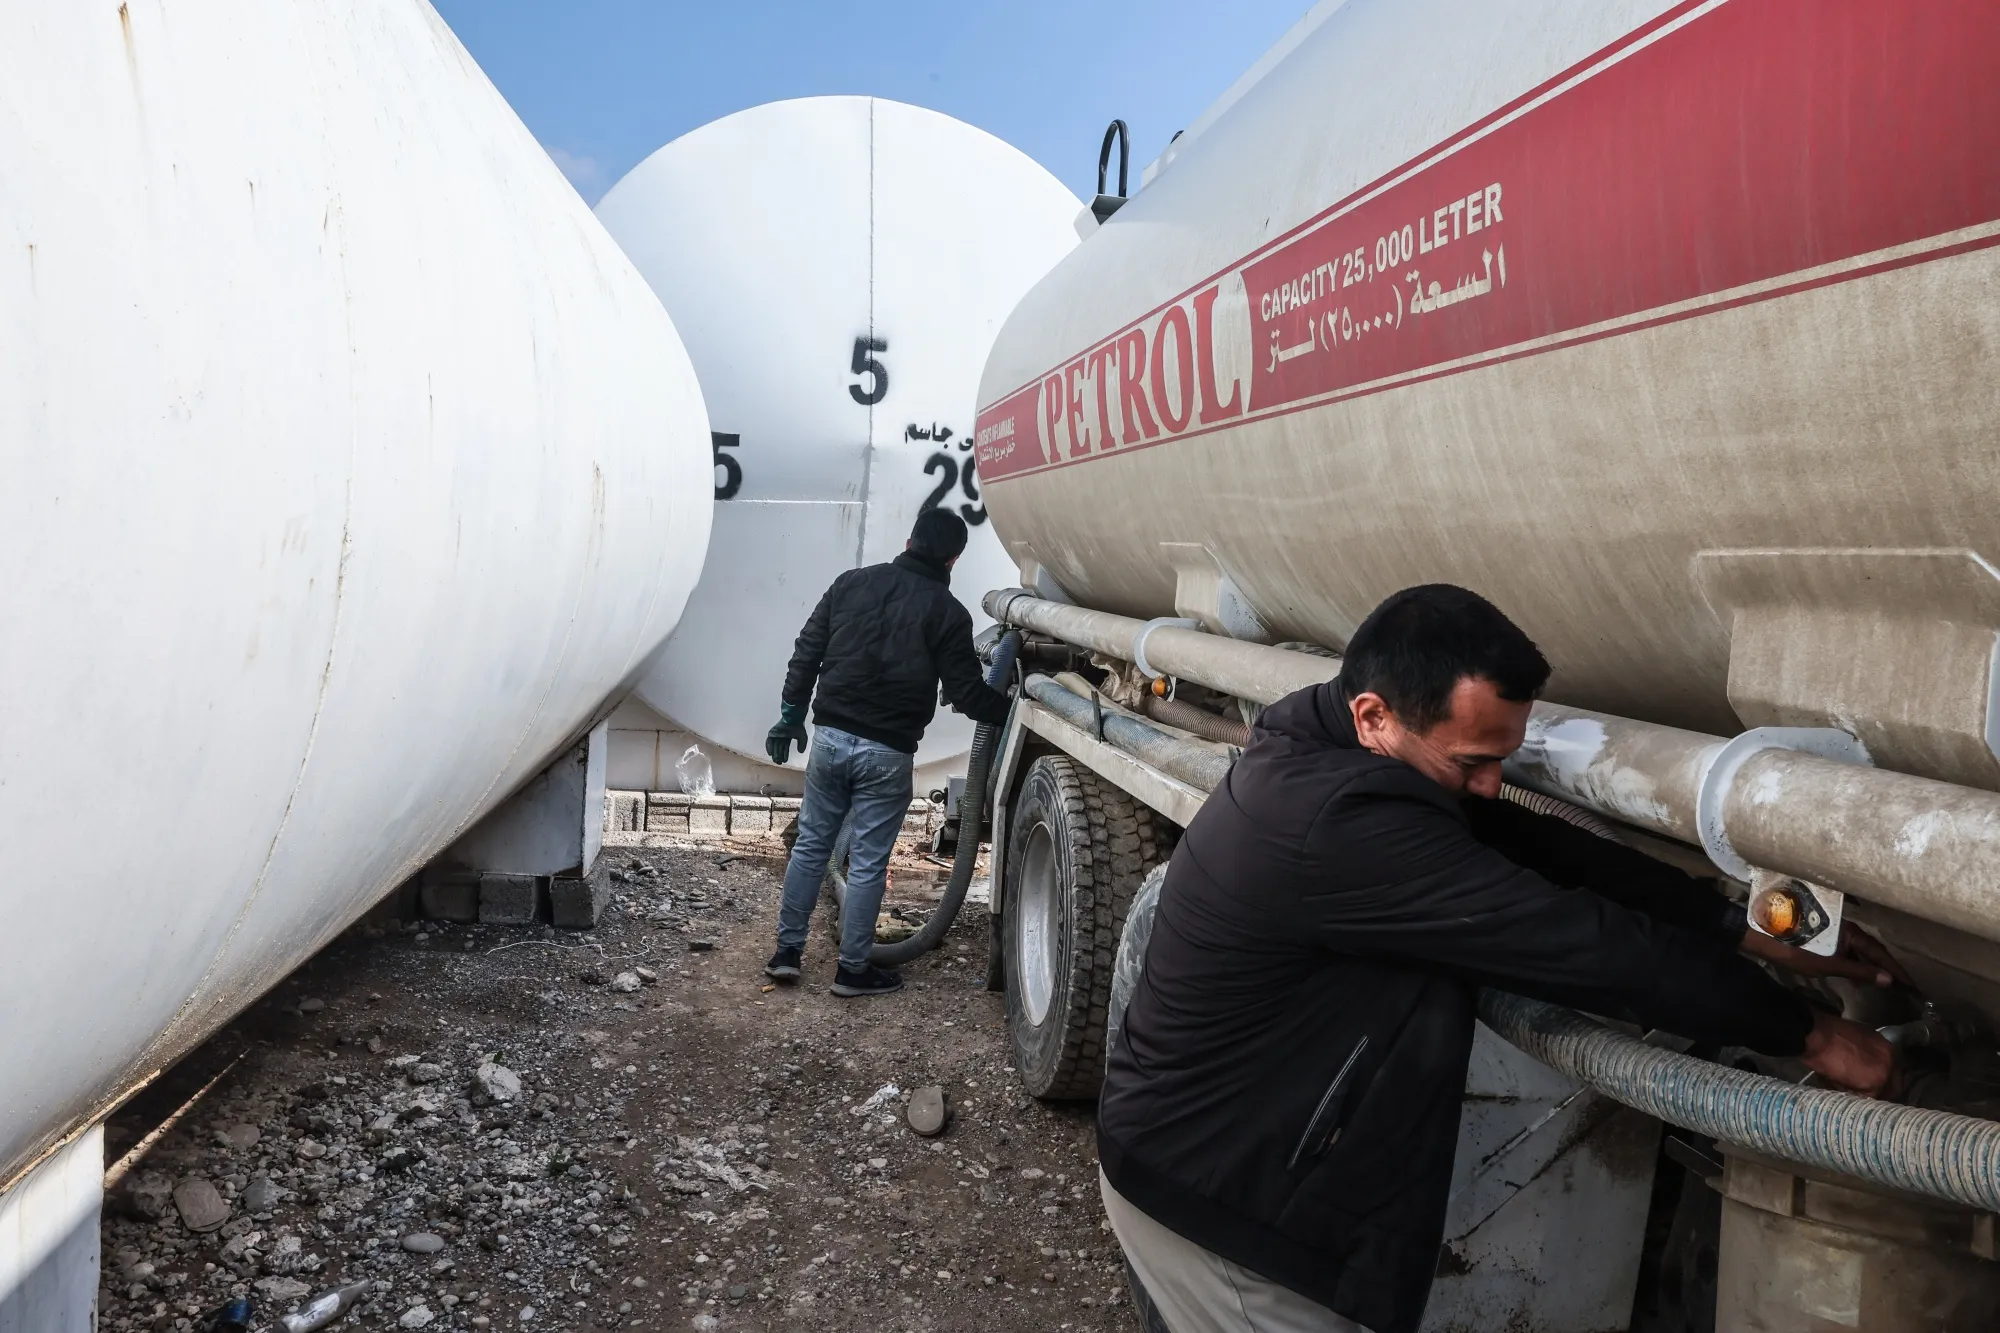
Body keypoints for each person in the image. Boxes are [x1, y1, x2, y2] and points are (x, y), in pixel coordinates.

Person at [1097, 584, 1899, 1333]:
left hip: (1219, 1165)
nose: (1487, 787)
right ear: (1374, 713)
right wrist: (1811, 1034)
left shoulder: (1334, 745)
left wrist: (1735, 923)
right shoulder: (1339, 826)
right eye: (1469, 763)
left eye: (1501, 761)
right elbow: (1589, 946)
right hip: (1227, 1217)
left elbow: (1539, 843)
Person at [761, 508, 1013, 997]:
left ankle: (786, 954)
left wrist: (791, 714)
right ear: (953, 559)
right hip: (887, 753)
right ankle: (852, 972)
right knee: (870, 862)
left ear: (908, 540)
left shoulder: (850, 583)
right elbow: (966, 695)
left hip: (830, 740)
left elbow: (806, 649)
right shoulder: (948, 613)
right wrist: (1012, 707)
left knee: (812, 846)